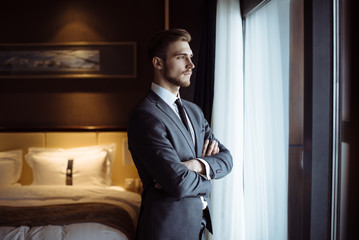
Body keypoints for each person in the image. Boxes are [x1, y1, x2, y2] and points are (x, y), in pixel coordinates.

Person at [127, 28, 233, 240]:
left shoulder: (194, 111)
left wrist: (196, 165)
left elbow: (227, 159)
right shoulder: (145, 116)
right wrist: (209, 175)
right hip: (166, 230)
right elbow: (177, 183)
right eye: (181, 57)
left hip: (198, 228)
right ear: (158, 63)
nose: (191, 65)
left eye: (191, 57)